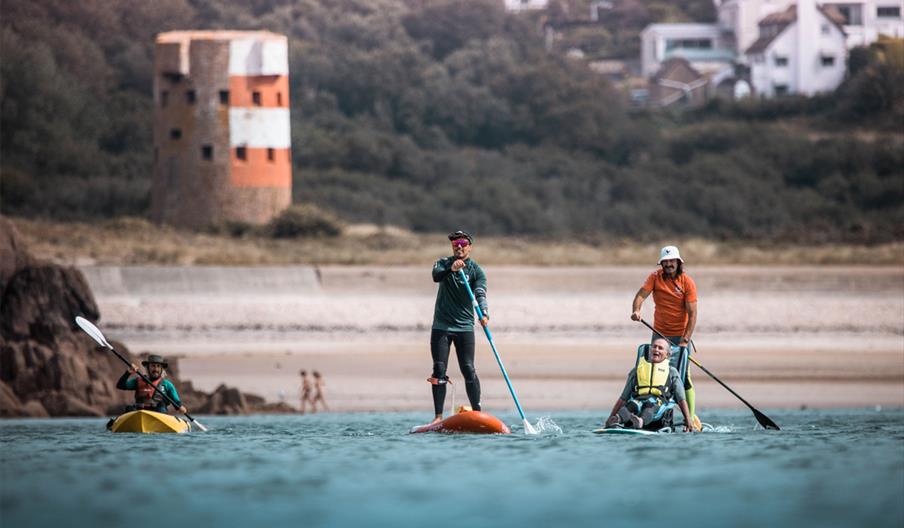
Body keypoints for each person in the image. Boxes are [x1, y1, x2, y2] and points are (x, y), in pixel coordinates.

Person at [630, 245, 700, 428]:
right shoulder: (655, 277)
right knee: (657, 374)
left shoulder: (687, 282)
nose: (668, 264)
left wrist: (685, 339)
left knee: (683, 377)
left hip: (681, 336)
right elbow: (640, 295)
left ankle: (690, 418)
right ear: (661, 263)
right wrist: (636, 310)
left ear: (678, 262)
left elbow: (693, 315)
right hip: (660, 334)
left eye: (672, 261)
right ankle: (654, 414)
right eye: (665, 261)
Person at [427, 230, 488, 425]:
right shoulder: (443, 264)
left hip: (465, 327)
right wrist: (451, 269)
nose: (459, 246)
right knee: (439, 369)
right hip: (442, 327)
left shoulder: (476, 271)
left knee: (468, 369)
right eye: (455, 243)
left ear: (470, 246)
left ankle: (477, 413)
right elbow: (436, 277)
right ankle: (438, 417)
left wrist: (484, 314)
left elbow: (480, 293)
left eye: (462, 242)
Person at [605, 338, 694, 432]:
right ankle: (617, 419)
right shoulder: (637, 370)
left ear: (667, 354)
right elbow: (623, 398)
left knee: (649, 407)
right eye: (654, 347)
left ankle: (640, 421)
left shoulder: (672, 372)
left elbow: (681, 398)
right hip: (638, 400)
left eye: (660, 348)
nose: (656, 349)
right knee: (631, 406)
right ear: (650, 350)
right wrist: (611, 416)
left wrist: (688, 419)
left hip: (658, 402)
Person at [115, 354, 187, 415]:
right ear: (148, 368)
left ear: (162, 369)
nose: (155, 369)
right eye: (153, 366)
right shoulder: (138, 381)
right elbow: (120, 385)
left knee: (161, 407)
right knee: (129, 409)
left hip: (159, 413)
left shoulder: (167, 384)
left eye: (158, 366)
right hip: (140, 412)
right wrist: (128, 373)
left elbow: (176, 401)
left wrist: (179, 407)